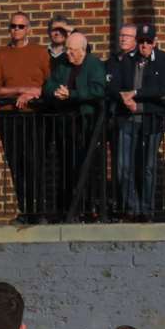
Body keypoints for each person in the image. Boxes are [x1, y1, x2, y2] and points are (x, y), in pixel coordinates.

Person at [109, 23, 165, 219]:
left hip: (151, 121)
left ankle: (147, 209)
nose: (144, 45)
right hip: (127, 119)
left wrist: (136, 95)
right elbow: (114, 84)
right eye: (141, 41)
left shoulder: (163, 60)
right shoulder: (126, 60)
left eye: (148, 42)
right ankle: (133, 207)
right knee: (123, 167)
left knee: (148, 167)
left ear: (154, 42)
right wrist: (124, 97)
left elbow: (163, 90)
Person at [0, 12, 51, 221]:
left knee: (36, 163)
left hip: (34, 116)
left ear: (28, 30)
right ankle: (25, 208)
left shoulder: (40, 53)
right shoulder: (0, 55)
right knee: (17, 165)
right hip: (9, 116)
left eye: (21, 26)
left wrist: (34, 93)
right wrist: (23, 90)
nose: (16, 30)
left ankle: (39, 209)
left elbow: (48, 84)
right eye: (13, 26)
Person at [42, 31, 108, 217]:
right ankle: (67, 207)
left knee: (85, 165)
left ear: (83, 50)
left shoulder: (94, 65)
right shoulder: (62, 64)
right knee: (65, 165)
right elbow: (48, 85)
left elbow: (98, 90)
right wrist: (56, 91)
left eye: (72, 50)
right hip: (66, 123)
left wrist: (73, 94)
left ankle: (88, 207)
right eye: (67, 50)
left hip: (86, 124)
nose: (68, 54)